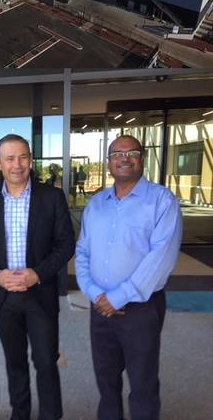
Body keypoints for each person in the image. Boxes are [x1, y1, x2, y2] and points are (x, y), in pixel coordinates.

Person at [75, 135, 182, 420]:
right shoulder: (96, 204)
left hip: (140, 310)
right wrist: (92, 291)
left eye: (132, 152)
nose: (124, 158)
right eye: (117, 154)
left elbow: (161, 258)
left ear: (142, 158)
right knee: (106, 382)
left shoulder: (162, 201)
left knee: (143, 384)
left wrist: (118, 297)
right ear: (109, 162)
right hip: (100, 308)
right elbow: (83, 251)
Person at [0, 134, 75, 420]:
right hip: (4, 296)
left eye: (23, 157)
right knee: (14, 361)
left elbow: (65, 244)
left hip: (40, 295)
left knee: (46, 361)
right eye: (9, 158)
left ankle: (50, 415)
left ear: (31, 160)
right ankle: (19, 413)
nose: (17, 164)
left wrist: (37, 274)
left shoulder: (52, 196)